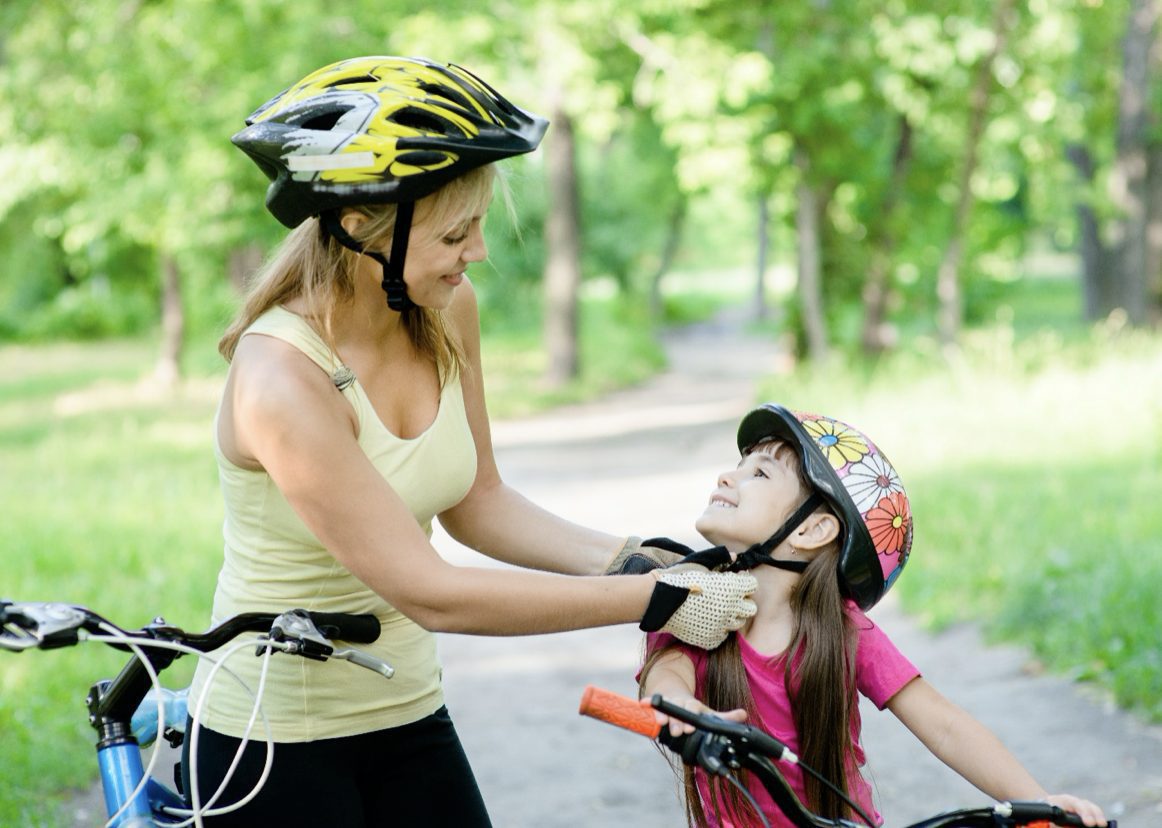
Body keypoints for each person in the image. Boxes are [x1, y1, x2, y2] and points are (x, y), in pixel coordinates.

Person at [182, 56, 758, 827]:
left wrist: (632, 556)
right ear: (360, 225)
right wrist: (653, 600)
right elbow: (430, 591)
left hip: (408, 712)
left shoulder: (446, 310)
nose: (478, 251)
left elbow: (478, 503)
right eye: (457, 231)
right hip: (273, 740)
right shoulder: (280, 378)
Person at [638, 403, 1109, 828]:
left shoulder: (843, 631)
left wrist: (1041, 802)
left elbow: (943, 724)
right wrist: (681, 709)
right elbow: (664, 678)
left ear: (813, 528)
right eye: (738, 467)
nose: (726, 477)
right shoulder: (694, 607)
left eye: (759, 474)